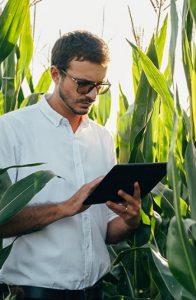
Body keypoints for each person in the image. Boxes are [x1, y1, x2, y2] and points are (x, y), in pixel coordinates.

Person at [0, 30, 141, 299]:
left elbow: (107, 232)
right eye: (83, 84)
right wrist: (66, 207)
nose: (92, 95)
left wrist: (130, 220)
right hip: (32, 293)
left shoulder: (103, 138)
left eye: (100, 86)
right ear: (56, 74)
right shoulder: (10, 130)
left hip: (94, 291)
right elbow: (1, 219)